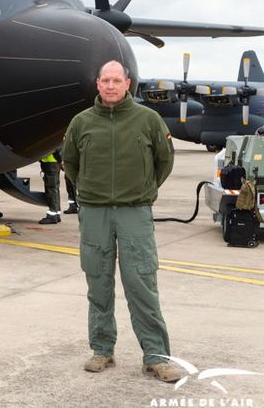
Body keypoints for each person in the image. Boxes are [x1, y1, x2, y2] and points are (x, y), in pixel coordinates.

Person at [62, 60, 183, 382]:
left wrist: (143, 189)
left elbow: (164, 161)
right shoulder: (81, 122)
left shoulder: (148, 119)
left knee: (142, 284)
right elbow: (70, 163)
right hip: (94, 213)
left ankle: (156, 356)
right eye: (106, 80)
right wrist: (90, 191)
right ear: (97, 84)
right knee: (97, 284)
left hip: (134, 212)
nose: (111, 86)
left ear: (127, 83)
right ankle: (102, 349)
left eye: (117, 80)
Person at [38, 152, 61, 224]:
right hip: (53, 164)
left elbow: (56, 149)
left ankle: (52, 216)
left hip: (51, 164)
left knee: (51, 189)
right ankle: (56, 214)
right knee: (54, 189)